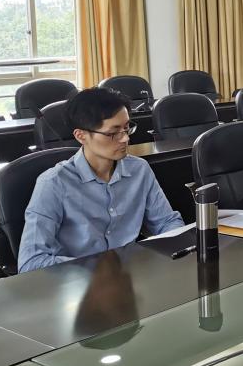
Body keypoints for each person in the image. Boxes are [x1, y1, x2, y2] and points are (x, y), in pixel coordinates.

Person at [18, 88, 183, 273]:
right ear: (81, 136)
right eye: (113, 133)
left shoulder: (139, 169)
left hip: (131, 276)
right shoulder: (53, 183)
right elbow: (30, 262)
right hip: (76, 283)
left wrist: (179, 245)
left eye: (126, 128)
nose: (125, 138)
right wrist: (98, 269)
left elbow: (166, 222)